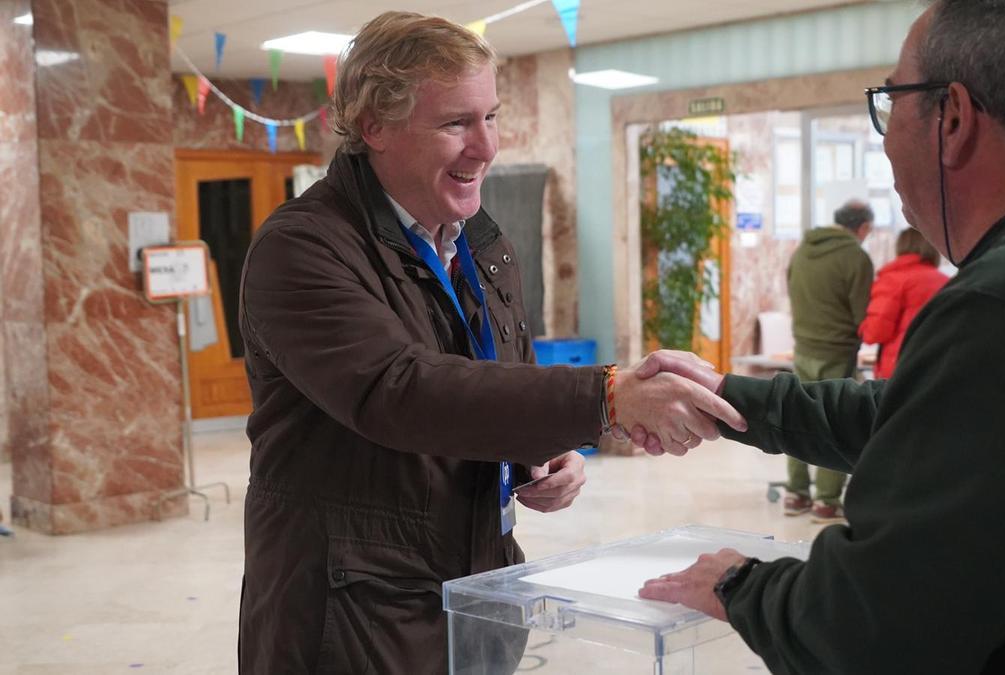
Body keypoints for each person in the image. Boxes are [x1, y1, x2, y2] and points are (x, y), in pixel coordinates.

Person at [637, 0, 1005, 672]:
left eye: (892, 99)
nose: (885, 134)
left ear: (953, 119)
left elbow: (874, 631)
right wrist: (735, 400)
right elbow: (934, 424)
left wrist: (739, 585)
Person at [235, 12, 744, 673]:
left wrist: (544, 450)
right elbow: (400, 391)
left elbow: (499, 380)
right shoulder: (302, 248)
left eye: (492, 117)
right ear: (374, 127)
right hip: (354, 613)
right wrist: (606, 396)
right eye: (455, 123)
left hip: (479, 591)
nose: (486, 146)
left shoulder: (481, 241)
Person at [781, 200, 874, 520]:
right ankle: (827, 501)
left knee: (797, 415)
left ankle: (795, 493)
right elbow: (863, 313)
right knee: (833, 420)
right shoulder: (856, 257)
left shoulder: (802, 251)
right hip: (837, 350)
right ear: (862, 228)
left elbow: (791, 290)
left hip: (803, 346)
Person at [857, 227, 948, 379]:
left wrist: (863, 328)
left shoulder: (893, 280)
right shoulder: (945, 281)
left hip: (899, 368)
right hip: (936, 366)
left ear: (901, 246)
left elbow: (875, 332)